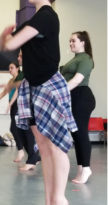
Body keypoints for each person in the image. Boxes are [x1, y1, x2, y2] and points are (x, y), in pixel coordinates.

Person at [0, 0, 78, 205]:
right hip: (32, 87)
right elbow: (1, 47)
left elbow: (13, 44)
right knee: (43, 149)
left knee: (55, 147)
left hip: (49, 85)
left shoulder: (47, 15)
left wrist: (9, 39)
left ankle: (59, 200)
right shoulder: (33, 21)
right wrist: (4, 37)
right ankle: (49, 204)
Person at [0, 61, 40, 170]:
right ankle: (34, 155)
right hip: (13, 106)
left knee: (15, 128)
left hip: (18, 104)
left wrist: (11, 104)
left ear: (17, 68)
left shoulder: (21, 79)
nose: (10, 70)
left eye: (12, 68)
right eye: (9, 68)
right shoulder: (10, 81)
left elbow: (17, 92)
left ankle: (22, 151)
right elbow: (4, 92)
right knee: (19, 130)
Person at [61, 31, 96, 184]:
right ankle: (81, 168)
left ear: (83, 42)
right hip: (72, 98)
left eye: (73, 41)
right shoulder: (74, 59)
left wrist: (60, 94)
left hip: (82, 97)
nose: (70, 43)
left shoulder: (86, 59)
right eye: (69, 41)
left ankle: (87, 168)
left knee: (81, 133)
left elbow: (76, 80)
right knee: (75, 134)